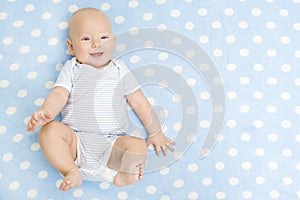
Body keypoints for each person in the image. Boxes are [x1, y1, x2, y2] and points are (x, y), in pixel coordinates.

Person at [26, 7, 175, 191]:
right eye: (86, 39)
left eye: (104, 37)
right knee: (49, 131)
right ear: (71, 47)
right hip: (76, 142)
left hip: (112, 145)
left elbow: (138, 100)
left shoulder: (119, 69)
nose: (96, 43)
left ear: (114, 42)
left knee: (137, 146)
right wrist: (47, 112)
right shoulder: (72, 69)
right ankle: (70, 170)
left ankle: (124, 175)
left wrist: (155, 132)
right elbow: (59, 94)